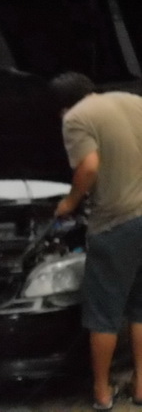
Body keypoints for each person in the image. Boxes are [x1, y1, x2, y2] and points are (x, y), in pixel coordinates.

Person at [50, 71, 142, 410]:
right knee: (140, 308)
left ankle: (102, 393)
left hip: (116, 224)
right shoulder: (134, 101)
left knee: (104, 314)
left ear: (63, 106)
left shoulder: (76, 117)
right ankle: (141, 386)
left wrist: (70, 202)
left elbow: (89, 166)